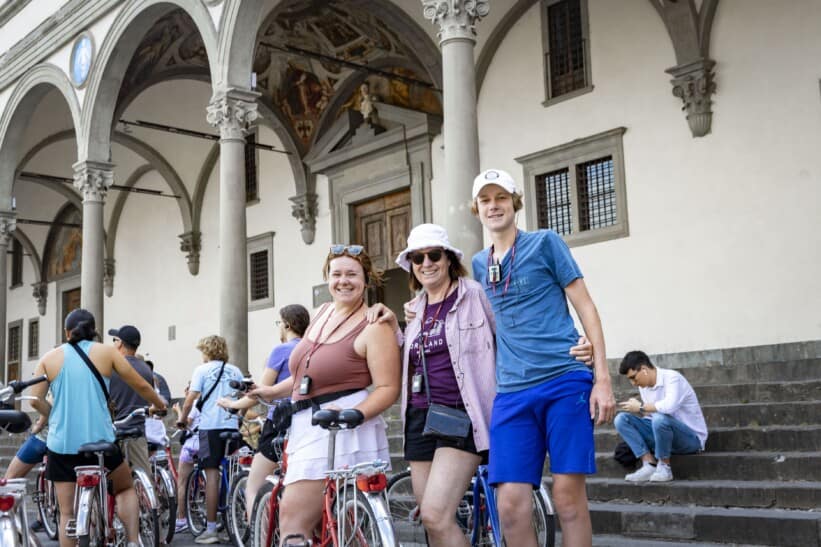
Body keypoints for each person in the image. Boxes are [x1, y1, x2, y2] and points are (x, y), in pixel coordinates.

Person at [471, 169, 616, 547]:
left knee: (568, 498)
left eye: (500, 197)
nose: (493, 206)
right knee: (510, 506)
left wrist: (602, 378)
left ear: (515, 202)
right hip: (512, 392)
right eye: (485, 200)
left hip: (564, 380)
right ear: (477, 210)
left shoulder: (545, 243)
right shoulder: (477, 264)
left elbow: (586, 306)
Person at [247, 244, 400, 543]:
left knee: (294, 520)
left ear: (366, 279)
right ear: (327, 278)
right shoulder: (323, 312)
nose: (344, 280)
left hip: (341, 424)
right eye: (336, 274)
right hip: (305, 422)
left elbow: (388, 387)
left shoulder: (374, 324)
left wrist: (357, 414)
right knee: (338, 528)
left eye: (352, 274)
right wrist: (272, 390)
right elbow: (306, 372)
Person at [372, 223, 496, 546]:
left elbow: (505, 338)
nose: (426, 263)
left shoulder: (474, 295)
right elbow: (412, 358)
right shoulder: (415, 309)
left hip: (460, 414)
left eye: (434, 255)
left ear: (449, 259)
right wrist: (393, 330)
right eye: (417, 258)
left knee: (435, 515)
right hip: (419, 417)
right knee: (433, 524)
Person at [29, 309, 166, 547]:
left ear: (66, 332)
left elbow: (34, 400)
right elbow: (141, 385)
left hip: (62, 445)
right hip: (100, 442)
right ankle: (133, 541)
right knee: (124, 488)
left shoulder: (49, 358)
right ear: (94, 331)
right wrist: (159, 404)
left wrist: (53, 416)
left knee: (67, 514)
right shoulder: (107, 352)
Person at [217, 303, 310, 522]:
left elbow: (260, 393)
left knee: (254, 484)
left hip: (281, 421)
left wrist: (231, 405)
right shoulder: (309, 347)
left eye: (279, 323)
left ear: (286, 325)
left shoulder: (281, 350)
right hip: (307, 420)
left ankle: (257, 533)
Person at [176, 335, 244, 544]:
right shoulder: (236, 370)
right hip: (231, 426)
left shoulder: (202, 370)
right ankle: (234, 514)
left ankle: (211, 529)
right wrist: (238, 416)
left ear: (206, 351)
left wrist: (181, 419)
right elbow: (246, 395)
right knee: (232, 470)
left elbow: (190, 399)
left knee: (212, 476)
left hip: (210, 429)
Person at [615, 350, 708, 482]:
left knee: (659, 418)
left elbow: (669, 407)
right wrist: (641, 412)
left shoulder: (672, 378)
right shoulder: (644, 386)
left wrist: (640, 407)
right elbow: (650, 415)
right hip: (664, 433)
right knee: (621, 419)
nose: (633, 383)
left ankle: (664, 467)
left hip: (691, 439)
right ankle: (649, 464)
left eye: (634, 377)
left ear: (644, 369)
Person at [107, 324, 157, 477]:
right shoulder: (146, 369)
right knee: (144, 478)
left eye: (114, 340)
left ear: (120, 343)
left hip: (113, 431)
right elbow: (149, 402)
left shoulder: (111, 368)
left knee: (108, 480)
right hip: (138, 432)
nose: (113, 344)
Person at [173, 383, 200, 533]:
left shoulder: (193, 405)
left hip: (192, 444)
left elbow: (184, 423)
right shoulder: (207, 404)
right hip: (207, 444)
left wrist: (178, 410)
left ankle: (182, 519)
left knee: (182, 482)